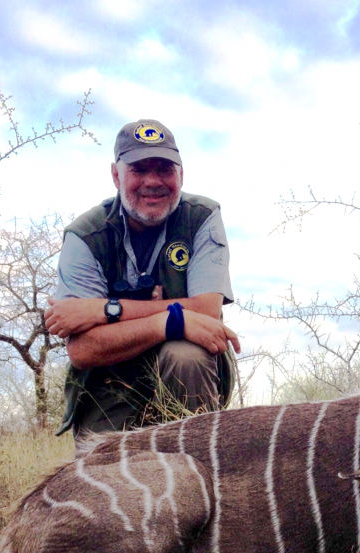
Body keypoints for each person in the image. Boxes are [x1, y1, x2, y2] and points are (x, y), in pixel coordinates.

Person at [46, 119, 240, 437]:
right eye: (138, 169)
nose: (153, 181)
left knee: (186, 356)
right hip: (110, 379)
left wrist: (105, 310)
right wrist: (170, 321)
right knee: (99, 484)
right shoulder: (84, 236)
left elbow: (205, 313)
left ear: (181, 174)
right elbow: (84, 351)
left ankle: (200, 466)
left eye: (164, 168)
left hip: (183, 367)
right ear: (116, 176)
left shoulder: (202, 217)